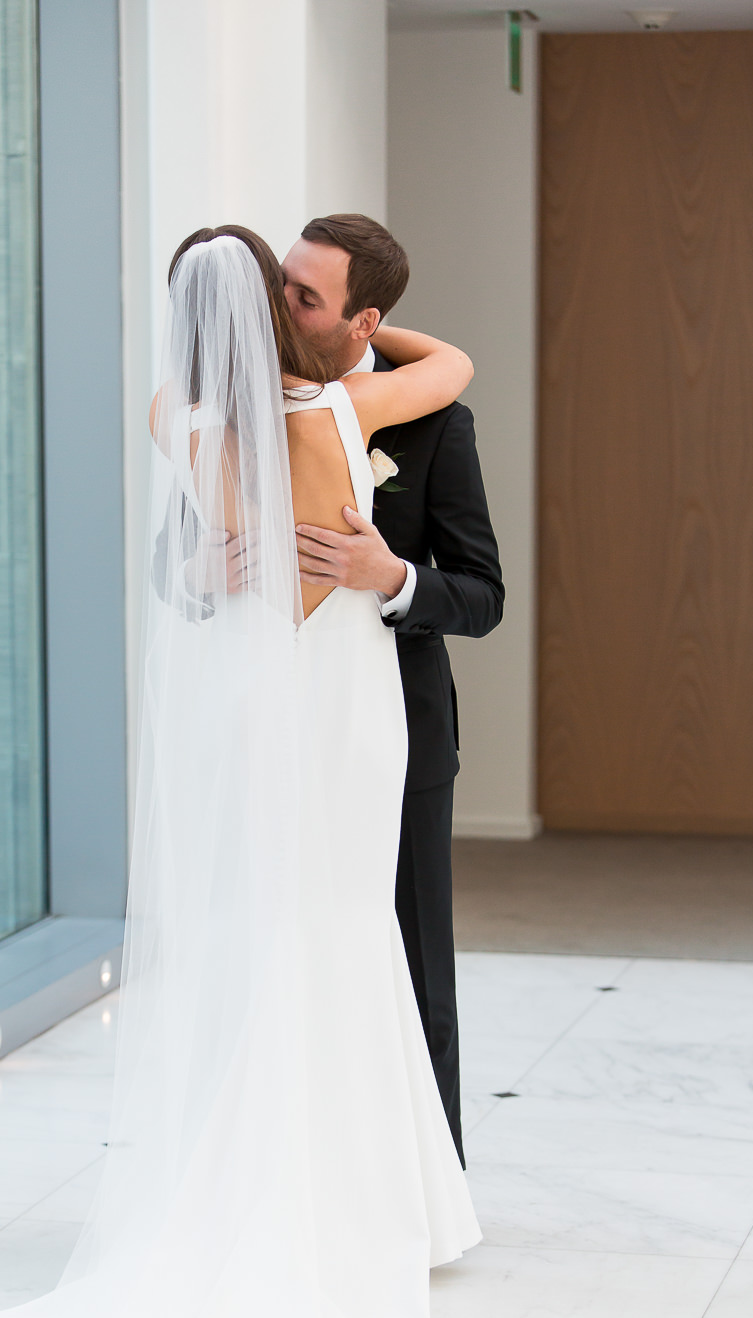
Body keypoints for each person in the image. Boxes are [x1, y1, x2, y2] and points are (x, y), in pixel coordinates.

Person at [0, 228, 481, 1318]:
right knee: (341, 931)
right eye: (281, 292)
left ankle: (262, 1180)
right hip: (341, 712)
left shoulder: (174, 422)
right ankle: (353, 1203)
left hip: (248, 708)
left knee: (275, 935)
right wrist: (364, 335)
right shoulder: (345, 414)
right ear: (271, 315)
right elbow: (453, 364)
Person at [281, 214, 505, 1167]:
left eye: (305, 297)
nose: (280, 305)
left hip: (402, 746)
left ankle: (427, 1186)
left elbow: (484, 596)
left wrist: (394, 579)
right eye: (281, 281)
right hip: (279, 736)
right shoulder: (250, 404)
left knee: (414, 971)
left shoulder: (435, 422)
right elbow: (179, 560)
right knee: (288, 962)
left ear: (363, 321)